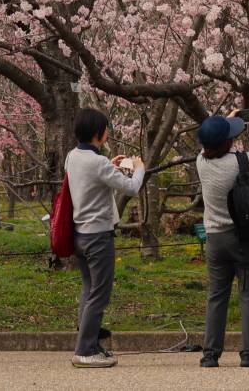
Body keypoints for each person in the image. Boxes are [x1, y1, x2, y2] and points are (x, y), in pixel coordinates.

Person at [196, 109, 249, 369]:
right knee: (248, 294)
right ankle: (247, 354)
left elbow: (213, 142)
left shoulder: (201, 160)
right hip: (244, 238)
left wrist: (226, 120)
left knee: (217, 296)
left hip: (215, 240)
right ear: (228, 141)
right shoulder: (244, 162)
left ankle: (210, 355)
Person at [66, 108, 146, 368]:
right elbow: (132, 187)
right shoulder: (96, 162)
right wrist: (139, 168)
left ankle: (89, 344)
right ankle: (84, 351)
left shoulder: (73, 156)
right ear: (98, 133)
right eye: (106, 129)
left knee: (89, 291)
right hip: (98, 236)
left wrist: (110, 167)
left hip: (80, 233)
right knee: (99, 294)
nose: (108, 132)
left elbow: (90, 181)